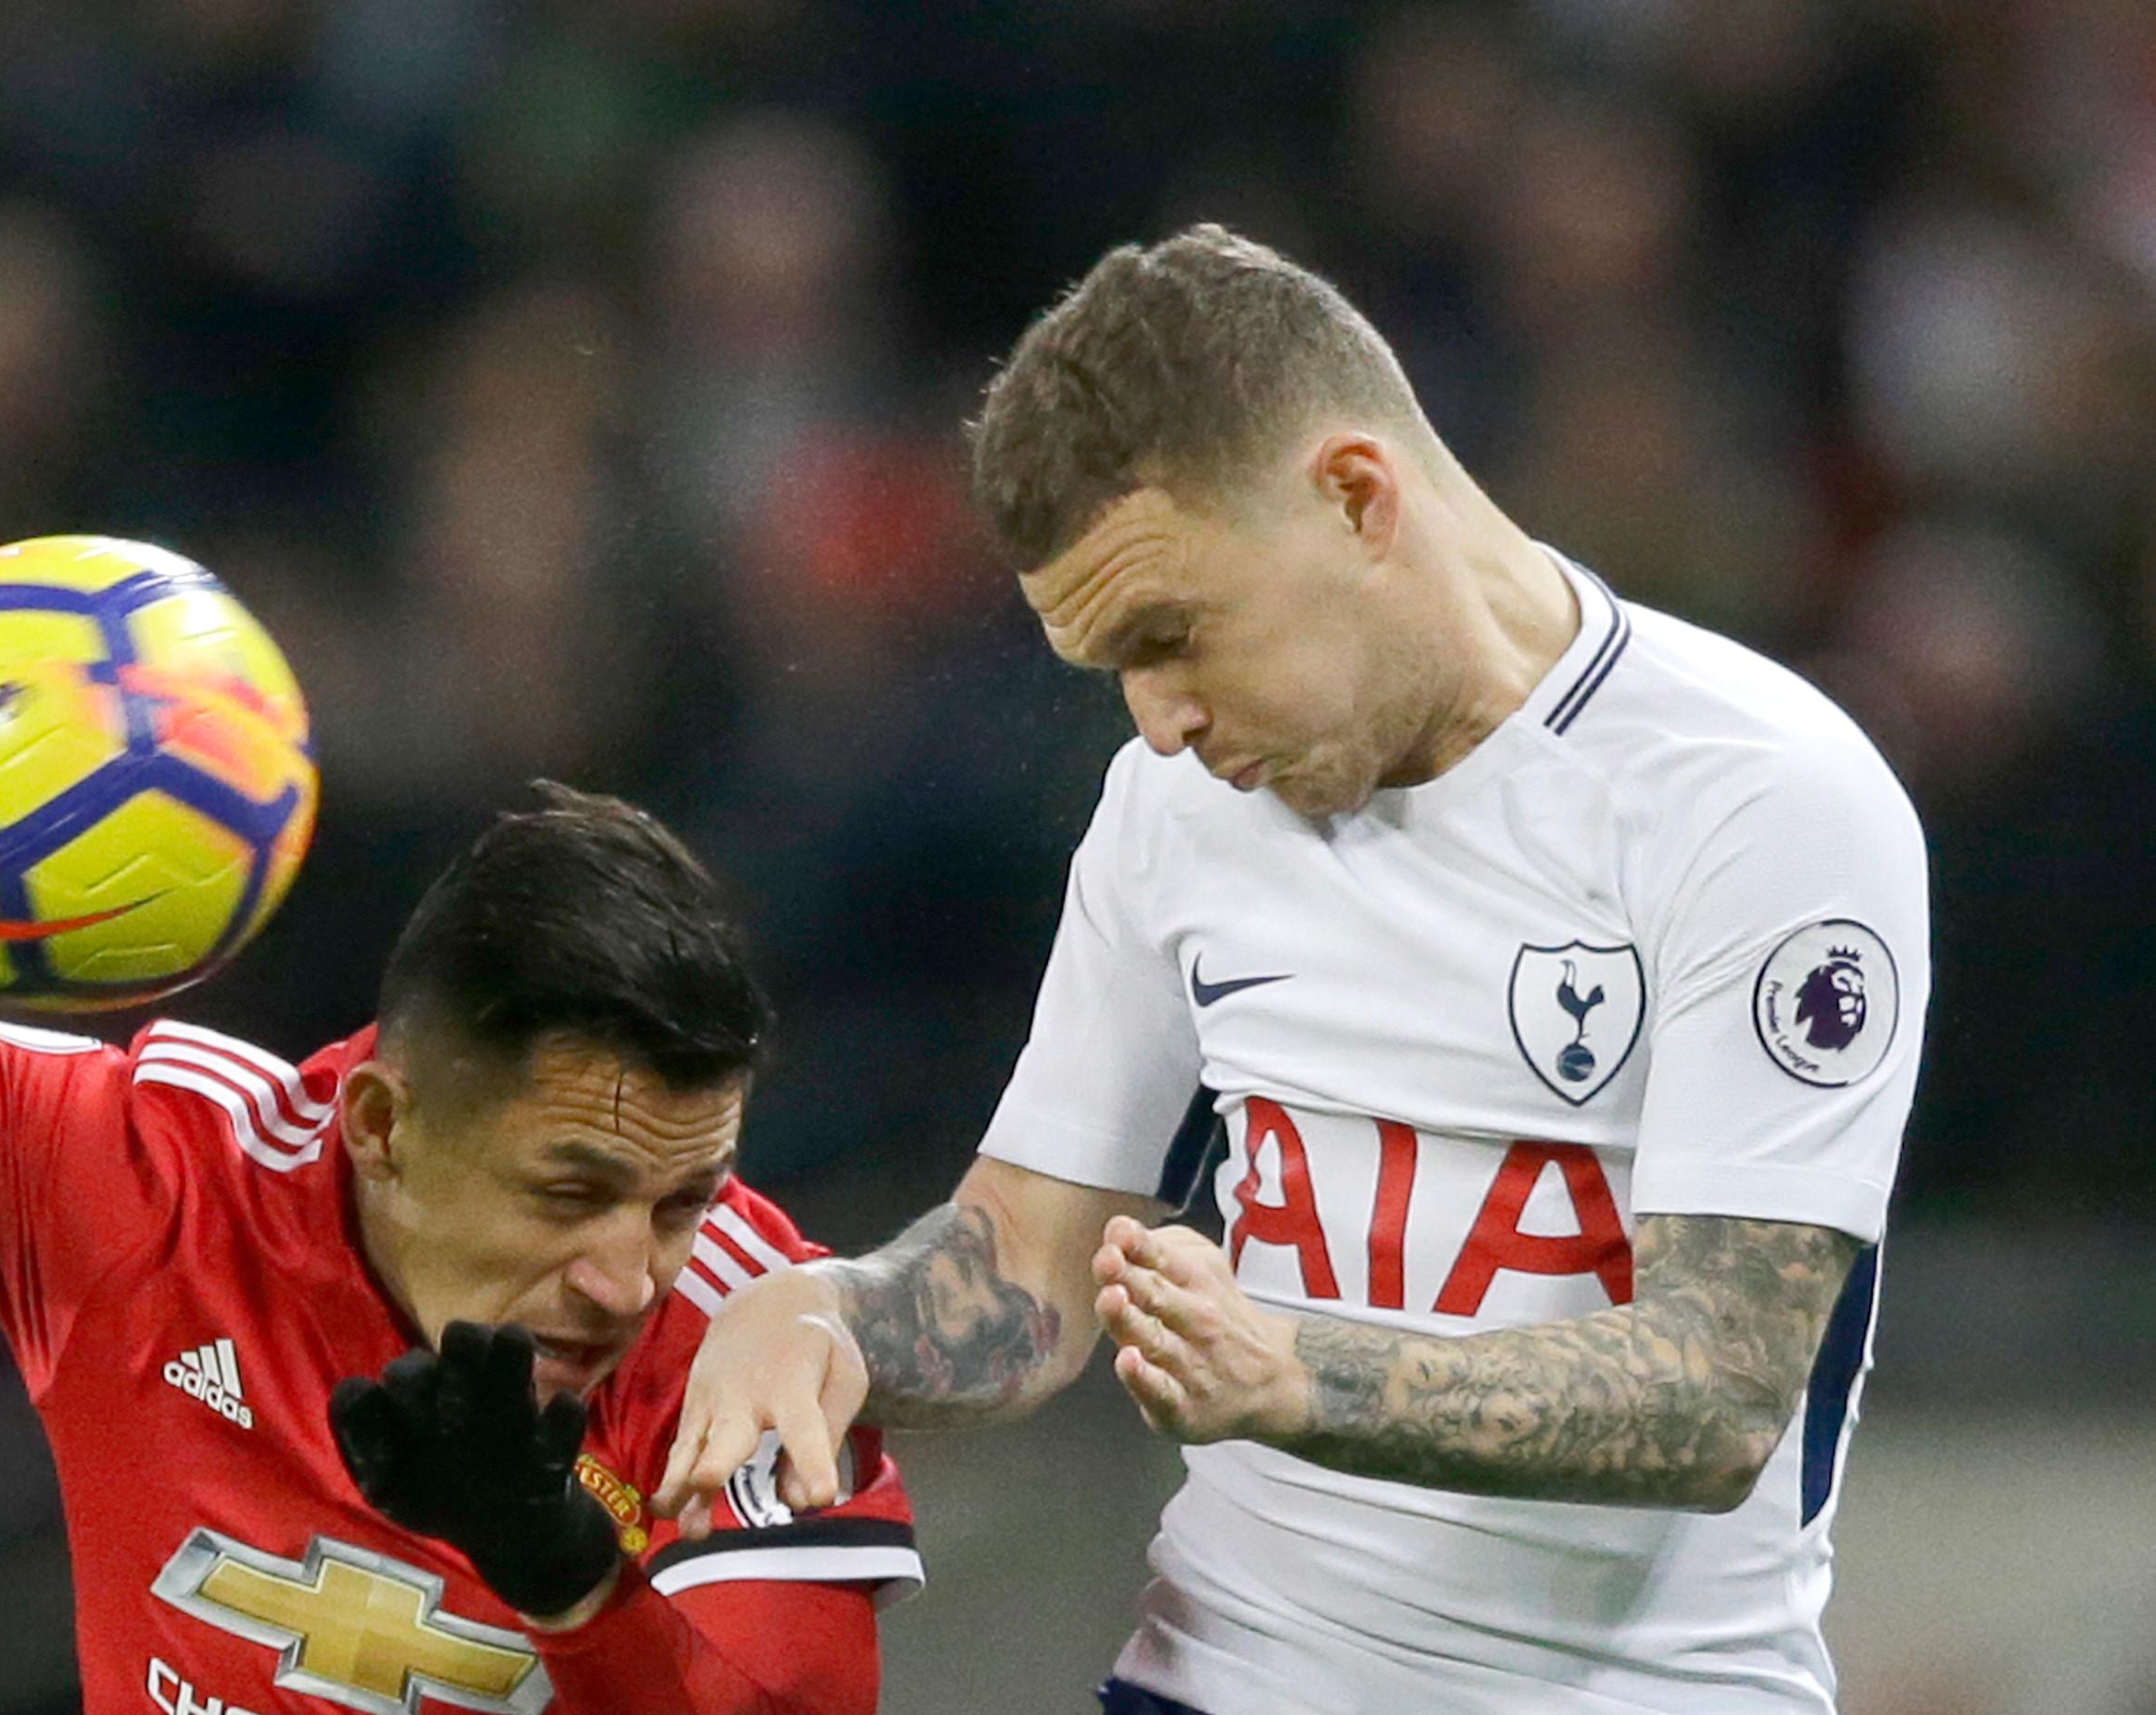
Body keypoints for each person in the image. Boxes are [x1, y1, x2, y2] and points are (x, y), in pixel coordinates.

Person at [0, 28, 917, 1715]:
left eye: (683, 1196)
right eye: (568, 1192)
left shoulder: (754, 1352)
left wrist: (563, 1577)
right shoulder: (138, 1187)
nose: (631, 1272)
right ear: (386, 1124)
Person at [656, 224, 1924, 1714]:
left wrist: (1299, 1371)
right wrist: (834, 1318)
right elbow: (1027, 1262)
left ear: (1355, 496)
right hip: (1220, 1678)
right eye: (1112, 666)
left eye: (1173, 634)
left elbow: (1719, 1390)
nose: (1158, 722)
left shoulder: (1757, 800)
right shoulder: (1176, 811)